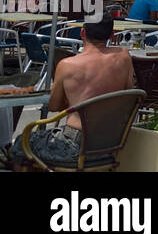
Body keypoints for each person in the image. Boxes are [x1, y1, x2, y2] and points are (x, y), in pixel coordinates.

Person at [17, 17, 135, 166]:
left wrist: (75, 98)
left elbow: (54, 106)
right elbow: (128, 93)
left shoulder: (67, 65)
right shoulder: (124, 56)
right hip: (111, 144)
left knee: (21, 143)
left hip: (73, 147)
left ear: (82, 33)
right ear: (111, 35)